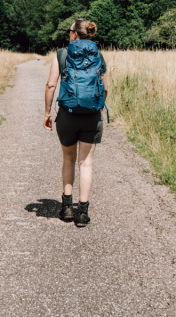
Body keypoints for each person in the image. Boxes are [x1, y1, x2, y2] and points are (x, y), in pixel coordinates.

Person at [43, 18, 107, 227]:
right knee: (86, 163)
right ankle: (83, 212)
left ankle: (67, 208)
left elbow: (51, 85)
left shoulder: (61, 54)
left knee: (68, 159)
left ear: (74, 34)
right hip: (92, 116)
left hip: (68, 115)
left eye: (70, 30)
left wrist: (47, 112)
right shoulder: (98, 55)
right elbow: (105, 88)